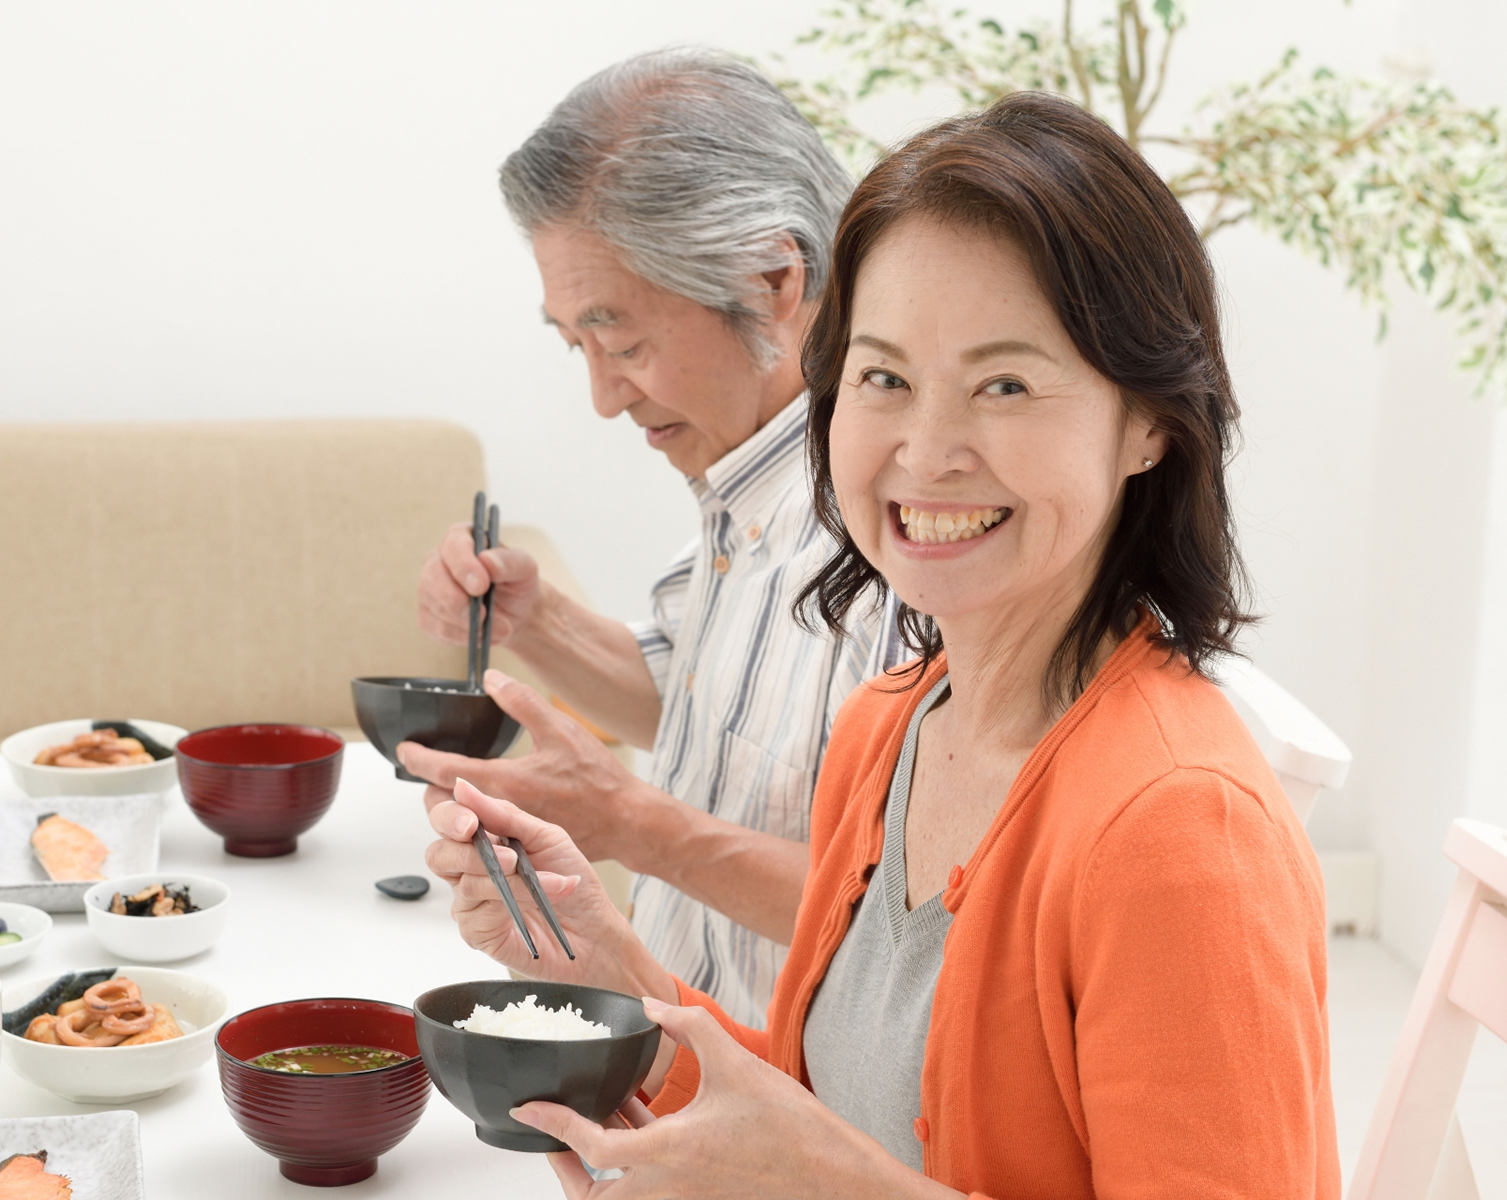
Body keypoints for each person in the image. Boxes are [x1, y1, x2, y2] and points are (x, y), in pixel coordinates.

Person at [424, 91, 1339, 1199]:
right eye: (884, 379)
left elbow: (831, 1173)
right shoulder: (893, 727)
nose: (928, 449)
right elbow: (821, 1122)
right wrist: (601, 959)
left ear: (1148, 421)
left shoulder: (1182, 830)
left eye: (1004, 384)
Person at [399, 48, 904, 1025]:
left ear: (770, 279)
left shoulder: (902, 533)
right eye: (575, 344)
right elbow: (695, 708)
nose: (601, 397)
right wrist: (536, 622)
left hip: (786, 1119)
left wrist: (639, 829)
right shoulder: (749, 484)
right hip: (662, 1048)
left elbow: (908, 924)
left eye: (622, 342)